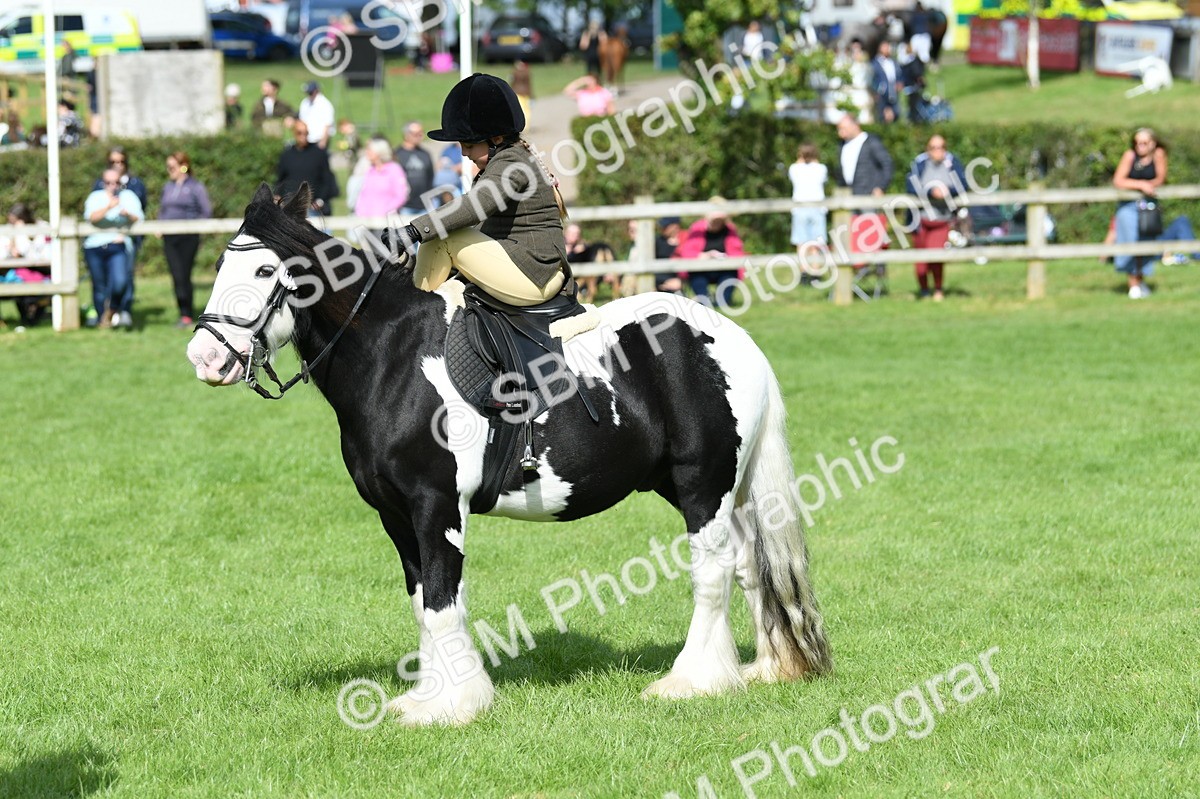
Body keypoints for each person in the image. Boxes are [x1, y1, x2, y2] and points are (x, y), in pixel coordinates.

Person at [392, 73, 569, 307]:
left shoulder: (512, 162)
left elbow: (477, 204)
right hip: (528, 267)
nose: (464, 153)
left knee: (441, 238)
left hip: (535, 274)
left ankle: (409, 310)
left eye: (469, 145)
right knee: (437, 235)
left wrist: (415, 230)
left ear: (496, 139)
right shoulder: (509, 158)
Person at [906, 134, 967, 301]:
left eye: (940, 147)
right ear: (928, 149)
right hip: (920, 219)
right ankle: (924, 291)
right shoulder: (919, 164)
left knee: (936, 256)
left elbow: (963, 185)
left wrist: (947, 192)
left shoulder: (952, 163)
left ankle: (938, 289)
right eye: (933, 148)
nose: (937, 151)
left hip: (941, 219)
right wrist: (930, 192)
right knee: (920, 259)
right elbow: (910, 186)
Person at [92, 147, 148, 327]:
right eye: (113, 162)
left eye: (121, 161)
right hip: (102, 240)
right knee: (105, 280)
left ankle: (124, 310)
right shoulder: (99, 185)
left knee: (125, 277)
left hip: (127, 239)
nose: (117, 165)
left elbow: (141, 211)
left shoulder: (135, 185)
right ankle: (104, 314)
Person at [83, 168, 143, 329]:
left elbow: (139, 218)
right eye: (109, 182)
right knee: (99, 286)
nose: (113, 185)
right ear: (103, 183)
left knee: (120, 282)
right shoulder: (95, 197)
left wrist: (127, 214)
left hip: (118, 245)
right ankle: (102, 319)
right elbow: (91, 218)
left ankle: (113, 309)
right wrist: (109, 207)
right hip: (94, 246)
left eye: (116, 182)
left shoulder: (128, 196)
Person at [1112, 127, 1168, 299]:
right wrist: (1141, 185)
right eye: (1137, 143)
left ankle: (1140, 281)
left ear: (1153, 143)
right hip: (1128, 206)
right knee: (1129, 243)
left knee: (1147, 242)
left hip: (1149, 207)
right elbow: (1118, 180)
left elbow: (1161, 178)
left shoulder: (1159, 155)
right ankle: (1133, 284)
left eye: (1144, 142)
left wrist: (1151, 185)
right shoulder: (1129, 156)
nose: (1140, 146)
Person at [159, 151, 212, 328]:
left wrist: (195, 227)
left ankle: (187, 313)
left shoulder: (195, 187)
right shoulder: (167, 187)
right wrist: (159, 226)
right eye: (168, 167)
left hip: (188, 237)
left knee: (184, 274)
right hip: (169, 237)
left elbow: (206, 211)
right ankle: (183, 312)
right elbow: (163, 210)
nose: (169, 170)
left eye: (172, 167)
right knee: (176, 274)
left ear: (183, 166)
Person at [835, 114, 894, 271]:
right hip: (849, 196)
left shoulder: (871, 142)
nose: (840, 132)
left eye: (843, 128)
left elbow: (887, 164)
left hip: (868, 197)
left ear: (855, 125)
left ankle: (878, 269)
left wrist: (881, 186)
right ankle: (858, 269)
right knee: (852, 234)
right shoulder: (842, 145)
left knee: (872, 232)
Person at [675, 197, 745, 308]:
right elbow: (687, 253)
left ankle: (721, 301)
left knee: (729, 282)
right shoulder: (697, 229)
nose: (717, 222)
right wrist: (704, 256)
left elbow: (737, 253)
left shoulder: (730, 229)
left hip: (724, 269)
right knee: (697, 279)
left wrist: (725, 257)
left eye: (720, 220)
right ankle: (704, 301)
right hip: (701, 269)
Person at [0, 202, 51, 326]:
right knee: (18, 282)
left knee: (40, 288)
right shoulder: (9, 230)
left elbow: (46, 252)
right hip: (19, 271)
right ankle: (27, 319)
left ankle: (32, 319)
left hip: (42, 270)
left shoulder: (42, 227)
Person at [276, 120, 339, 215]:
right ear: (294, 133)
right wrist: (278, 197)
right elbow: (280, 179)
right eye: (299, 133)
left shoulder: (319, 154)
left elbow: (327, 179)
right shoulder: (286, 155)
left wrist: (320, 200)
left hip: (314, 207)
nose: (303, 136)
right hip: (291, 207)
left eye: (306, 133)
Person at [353, 138, 410, 239]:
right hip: (367, 223)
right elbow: (363, 194)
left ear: (379, 152)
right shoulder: (370, 170)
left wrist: (384, 211)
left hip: (386, 223)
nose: (367, 152)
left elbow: (401, 195)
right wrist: (360, 212)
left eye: (370, 150)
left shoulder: (394, 169)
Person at [789, 143, 828, 256]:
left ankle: (803, 266)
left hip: (799, 208)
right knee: (816, 243)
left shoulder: (794, 168)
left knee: (801, 243)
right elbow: (823, 179)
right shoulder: (821, 168)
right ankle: (815, 265)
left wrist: (800, 159)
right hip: (818, 208)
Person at [396, 121, 435, 216]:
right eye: (416, 134)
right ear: (406, 135)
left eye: (421, 133)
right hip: (405, 206)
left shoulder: (425, 154)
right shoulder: (397, 154)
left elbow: (431, 177)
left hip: (424, 205)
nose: (420, 136)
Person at [871, 41, 902, 124]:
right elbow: (873, 78)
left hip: (893, 90)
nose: (888, 49)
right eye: (885, 47)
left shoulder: (893, 62)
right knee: (882, 114)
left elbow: (899, 74)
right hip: (881, 91)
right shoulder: (875, 63)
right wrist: (875, 91)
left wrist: (899, 83)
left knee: (895, 113)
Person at [298, 81, 335, 149]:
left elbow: (328, 124)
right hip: (307, 139)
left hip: (319, 139)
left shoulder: (325, 104)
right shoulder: (305, 102)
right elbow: (302, 120)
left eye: (310, 92)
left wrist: (323, 141)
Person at [510, 61, 533, 129]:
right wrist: (531, 95)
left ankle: (519, 125)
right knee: (526, 110)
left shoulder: (514, 73)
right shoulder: (527, 73)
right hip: (525, 93)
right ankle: (526, 125)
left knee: (519, 109)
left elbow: (511, 83)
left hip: (517, 93)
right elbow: (529, 85)